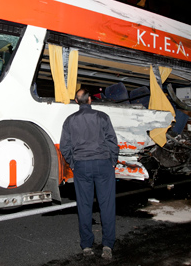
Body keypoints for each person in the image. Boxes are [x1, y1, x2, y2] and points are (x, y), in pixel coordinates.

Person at [60, 88, 119, 260]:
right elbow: (112, 141)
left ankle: (87, 246)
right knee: (107, 205)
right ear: (90, 100)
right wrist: (112, 161)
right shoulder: (102, 117)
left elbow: (65, 146)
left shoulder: (70, 120)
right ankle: (107, 244)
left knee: (84, 206)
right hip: (103, 164)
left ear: (77, 102)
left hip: (82, 166)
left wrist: (74, 163)